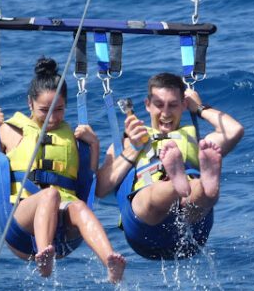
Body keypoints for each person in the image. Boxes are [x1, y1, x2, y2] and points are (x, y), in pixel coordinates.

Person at [0, 57, 126, 282]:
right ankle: (44, 257)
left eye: (59, 109)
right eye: (44, 110)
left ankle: (110, 262)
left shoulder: (74, 136)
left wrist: (95, 144)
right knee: (49, 195)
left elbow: (89, 182)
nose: (52, 117)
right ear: (30, 104)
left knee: (79, 207)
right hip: (22, 224)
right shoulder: (9, 131)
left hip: (64, 225)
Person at [96, 72, 244, 259]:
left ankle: (204, 189)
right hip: (144, 232)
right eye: (159, 105)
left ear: (184, 105)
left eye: (173, 105)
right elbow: (100, 189)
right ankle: (179, 185)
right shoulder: (126, 142)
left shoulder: (196, 140)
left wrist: (199, 107)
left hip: (192, 229)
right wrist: (134, 148)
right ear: (147, 105)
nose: (165, 113)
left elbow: (235, 130)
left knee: (195, 195)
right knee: (152, 199)